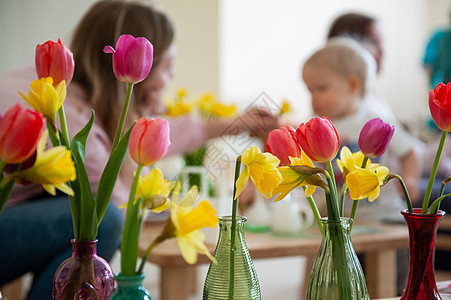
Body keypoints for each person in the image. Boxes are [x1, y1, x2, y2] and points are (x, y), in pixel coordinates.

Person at [0, 1, 278, 299]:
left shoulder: (48, 84)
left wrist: (235, 123)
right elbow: (126, 205)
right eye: (168, 67)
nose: (170, 79)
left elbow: (153, 135)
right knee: (102, 221)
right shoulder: (78, 128)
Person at [301, 37, 422, 222]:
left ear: (353, 85)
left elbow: (410, 152)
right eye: (310, 91)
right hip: (341, 223)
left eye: (320, 89)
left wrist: (410, 179)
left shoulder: (377, 123)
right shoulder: (317, 128)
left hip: (386, 218)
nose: (313, 98)